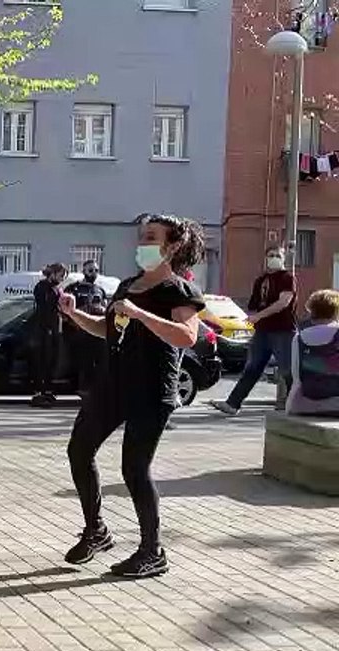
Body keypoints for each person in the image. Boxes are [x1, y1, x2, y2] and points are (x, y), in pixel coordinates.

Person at [58, 214, 206, 579]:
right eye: (142, 237)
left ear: (172, 246)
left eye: (152, 237)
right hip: (113, 384)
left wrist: (141, 314)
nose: (143, 244)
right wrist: (75, 316)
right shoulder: (126, 286)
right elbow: (105, 328)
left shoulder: (179, 290)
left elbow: (187, 337)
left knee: (134, 468)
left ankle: (152, 551)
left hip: (152, 390)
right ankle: (96, 531)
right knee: (79, 450)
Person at [211, 247, 297, 416]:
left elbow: (284, 302)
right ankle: (232, 404)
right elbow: (253, 306)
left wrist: (259, 316)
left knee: (287, 370)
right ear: (265, 258)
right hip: (262, 332)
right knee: (252, 368)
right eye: (271, 255)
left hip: (283, 330)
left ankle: (297, 404)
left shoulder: (287, 278)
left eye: (277, 256)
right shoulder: (261, 280)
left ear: (283, 258)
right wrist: (251, 318)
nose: (274, 258)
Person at [286, 289, 339, 417]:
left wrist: (290, 405)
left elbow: (296, 376)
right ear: (335, 312)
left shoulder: (299, 337)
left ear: (311, 311)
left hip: (305, 404)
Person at [67, 260, 109, 396]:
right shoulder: (74, 288)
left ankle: (97, 389)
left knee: (99, 360)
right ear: (84, 271)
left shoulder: (99, 290)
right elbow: (64, 310)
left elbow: (106, 309)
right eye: (91, 270)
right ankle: (83, 388)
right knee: (84, 362)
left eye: (96, 270)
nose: (94, 273)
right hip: (80, 331)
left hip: (97, 330)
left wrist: (101, 309)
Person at [30, 263, 66, 407]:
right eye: (61, 275)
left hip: (54, 330)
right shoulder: (42, 287)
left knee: (52, 361)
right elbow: (44, 307)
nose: (62, 279)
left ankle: (48, 391)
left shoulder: (57, 289)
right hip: (43, 330)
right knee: (42, 361)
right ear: (53, 273)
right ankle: (39, 392)